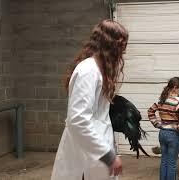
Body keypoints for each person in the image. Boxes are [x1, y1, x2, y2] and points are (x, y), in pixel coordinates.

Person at [51, 19, 128, 180]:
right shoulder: (88, 71)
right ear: (109, 45)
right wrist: (108, 155)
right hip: (84, 159)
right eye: (120, 47)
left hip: (95, 155)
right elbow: (78, 120)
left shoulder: (99, 71)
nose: (123, 53)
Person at [148, 77, 179, 180]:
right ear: (175, 88)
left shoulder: (161, 101)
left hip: (162, 133)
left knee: (164, 160)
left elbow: (150, 111)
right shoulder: (178, 103)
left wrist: (156, 124)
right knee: (172, 163)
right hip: (173, 135)